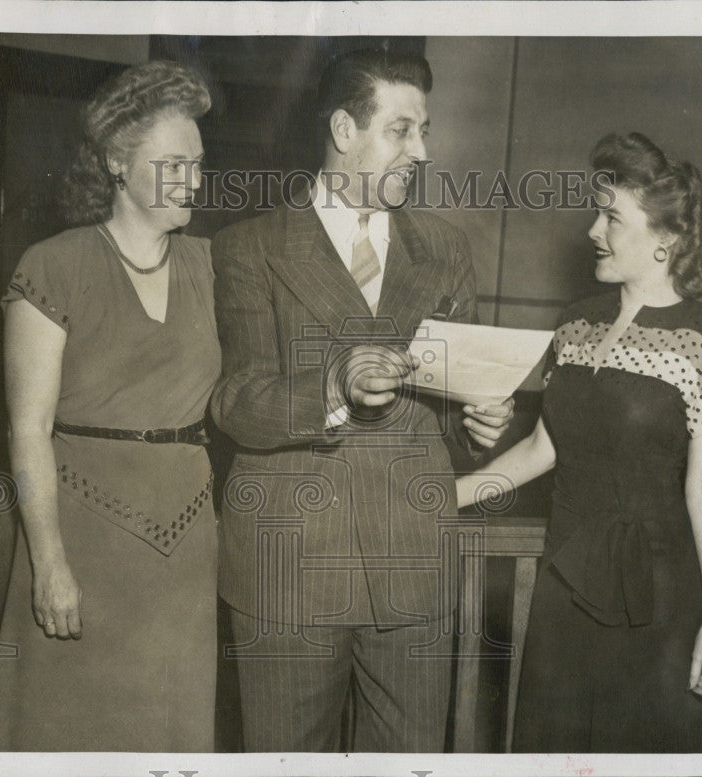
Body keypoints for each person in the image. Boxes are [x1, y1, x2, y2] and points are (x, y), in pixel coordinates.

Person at [210, 48, 513, 752]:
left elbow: (455, 407)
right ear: (345, 130)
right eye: (402, 130)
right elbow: (236, 402)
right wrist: (330, 387)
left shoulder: (445, 248)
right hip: (291, 570)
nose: (424, 151)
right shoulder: (249, 246)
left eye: (425, 130)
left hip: (414, 568)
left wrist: (478, 420)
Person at [457, 132, 702, 752]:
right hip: (565, 582)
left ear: (664, 241)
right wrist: (450, 495)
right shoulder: (575, 323)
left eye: (612, 217)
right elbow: (545, 447)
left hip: (658, 597)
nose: (594, 230)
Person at [0, 60, 220, 752]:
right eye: (173, 163)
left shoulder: (212, 267)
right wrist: (48, 560)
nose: (194, 181)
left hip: (185, 545)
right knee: (65, 733)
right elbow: (27, 432)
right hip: (83, 540)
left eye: (199, 163)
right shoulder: (54, 266)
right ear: (117, 161)